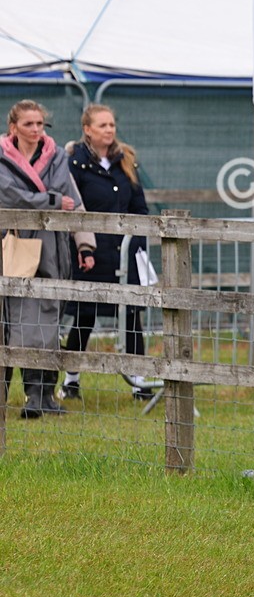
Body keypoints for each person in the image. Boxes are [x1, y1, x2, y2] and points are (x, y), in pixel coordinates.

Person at [0, 100, 96, 418]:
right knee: (5, 322)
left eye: (40, 123)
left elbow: (72, 199)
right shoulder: (1, 157)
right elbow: (8, 195)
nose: (36, 129)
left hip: (51, 249)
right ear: (13, 127)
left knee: (46, 321)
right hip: (10, 245)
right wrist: (52, 200)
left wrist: (85, 245)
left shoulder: (57, 156)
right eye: (29, 124)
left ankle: (41, 397)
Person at [60, 104, 153, 401]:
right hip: (90, 253)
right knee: (84, 315)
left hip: (124, 253)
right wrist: (84, 246)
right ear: (87, 129)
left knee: (131, 316)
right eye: (102, 125)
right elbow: (73, 208)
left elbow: (140, 208)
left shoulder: (126, 161)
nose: (109, 130)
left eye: (112, 124)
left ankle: (140, 382)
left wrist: (135, 243)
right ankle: (71, 380)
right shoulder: (74, 163)